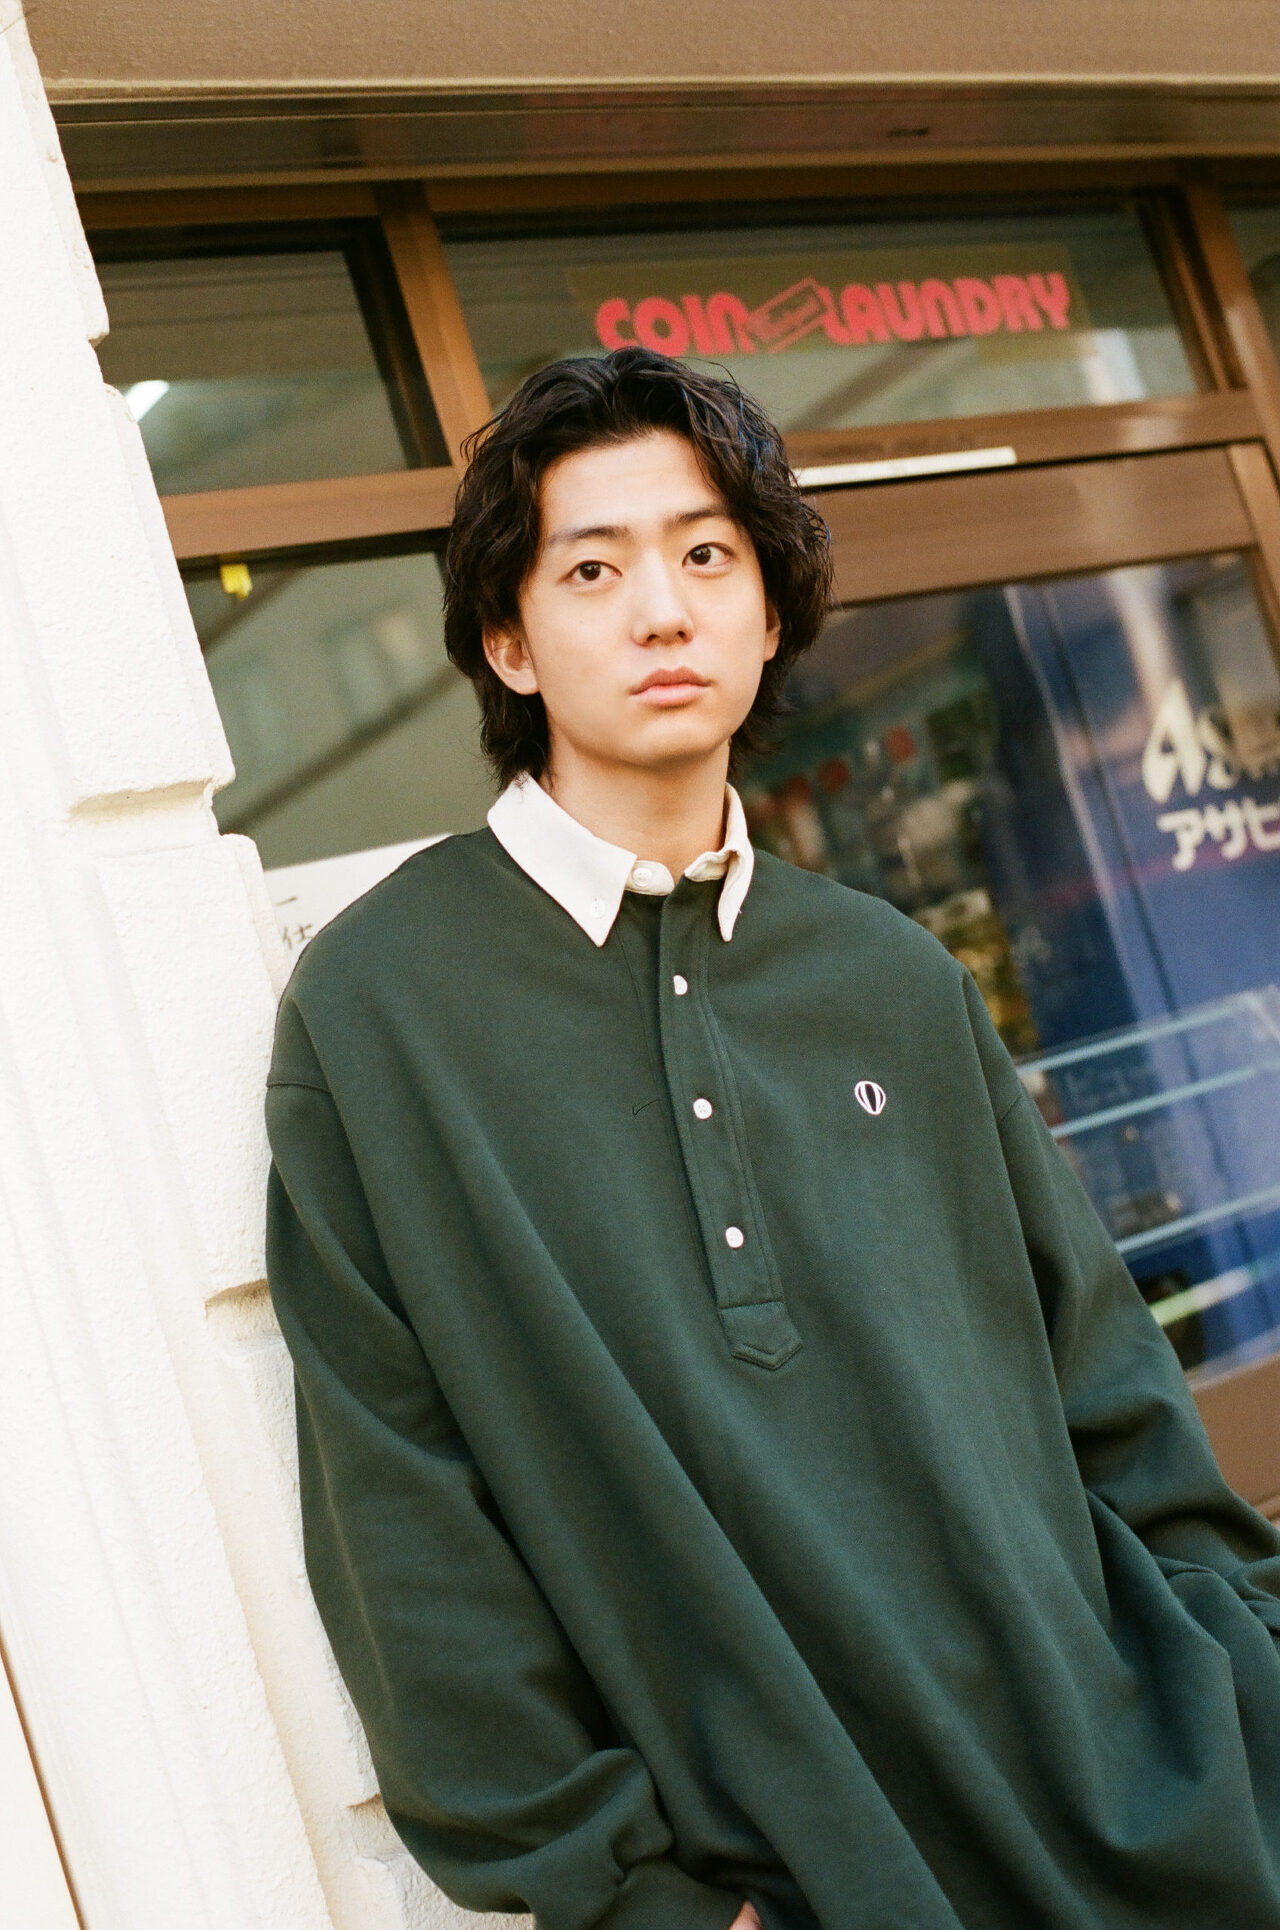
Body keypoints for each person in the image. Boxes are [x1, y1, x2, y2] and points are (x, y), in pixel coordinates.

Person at [263, 346, 1280, 1930]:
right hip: (805, 1880)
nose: (663, 611)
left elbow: (1106, 1379)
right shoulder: (379, 1010)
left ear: (769, 612)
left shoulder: (892, 974)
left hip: (1144, 1815)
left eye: (708, 555)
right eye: (592, 568)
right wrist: (630, 1896)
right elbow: (402, 1513)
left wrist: (1249, 1667)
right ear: (506, 639)